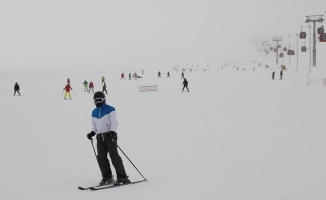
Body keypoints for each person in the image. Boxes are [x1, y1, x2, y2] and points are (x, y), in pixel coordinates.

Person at [87, 91, 131, 186]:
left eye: (100, 100)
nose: (98, 102)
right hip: (99, 137)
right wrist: (92, 132)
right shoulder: (94, 112)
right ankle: (107, 177)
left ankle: (122, 176)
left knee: (114, 156)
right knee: (101, 158)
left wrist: (112, 131)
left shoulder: (110, 109)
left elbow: (114, 122)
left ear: (104, 99)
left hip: (110, 136)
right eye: (96, 100)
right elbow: (94, 125)